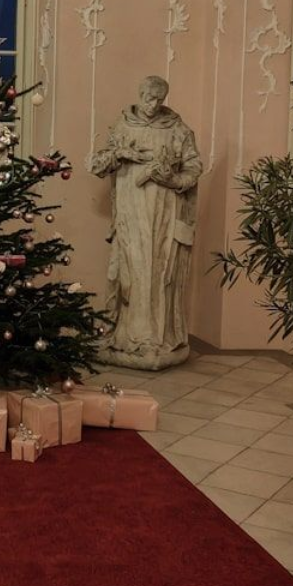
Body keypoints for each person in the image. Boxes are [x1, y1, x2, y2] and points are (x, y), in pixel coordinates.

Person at [89, 75, 203, 369]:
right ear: (139, 95)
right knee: (130, 271)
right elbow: (97, 165)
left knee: (159, 272)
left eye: (160, 99)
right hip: (130, 212)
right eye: (149, 98)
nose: (154, 105)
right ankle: (127, 337)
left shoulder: (177, 128)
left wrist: (174, 179)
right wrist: (121, 153)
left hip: (164, 215)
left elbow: (194, 167)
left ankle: (155, 339)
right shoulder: (124, 124)